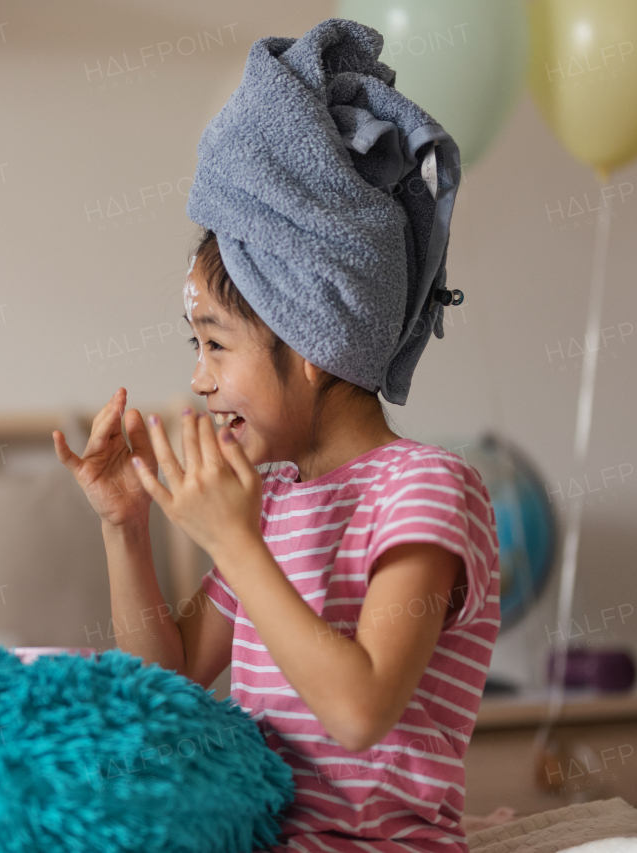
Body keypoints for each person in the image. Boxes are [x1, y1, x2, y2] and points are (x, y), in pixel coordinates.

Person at [55, 21, 500, 853]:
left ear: (311, 344)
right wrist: (126, 526)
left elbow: (362, 709)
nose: (198, 379)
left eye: (216, 344)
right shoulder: (276, 503)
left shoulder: (428, 488)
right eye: (197, 348)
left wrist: (235, 540)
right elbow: (173, 676)